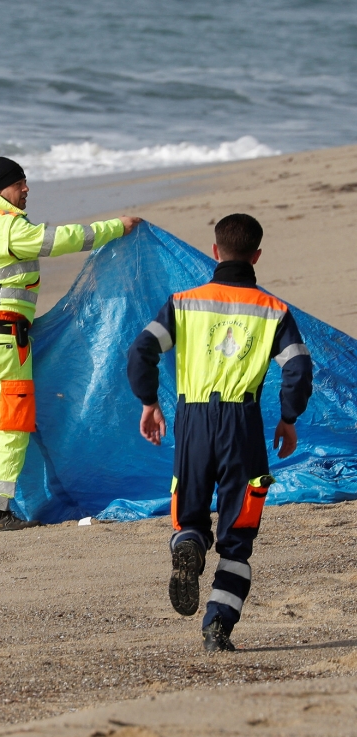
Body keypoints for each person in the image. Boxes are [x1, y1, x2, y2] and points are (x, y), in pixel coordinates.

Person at [0, 156, 141, 537]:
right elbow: (63, 240)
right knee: (11, 425)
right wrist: (115, 228)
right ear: (0, 188)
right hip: (5, 344)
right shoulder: (10, 228)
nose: (26, 190)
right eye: (20, 183)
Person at [127, 213, 312, 652]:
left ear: (215, 252)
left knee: (188, 515)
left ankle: (188, 542)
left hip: (193, 420)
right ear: (257, 256)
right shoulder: (274, 311)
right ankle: (217, 627)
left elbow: (142, 350)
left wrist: (150, 402)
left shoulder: (184, 302)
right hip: (242, 425)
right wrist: (288, 417)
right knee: (237, 537)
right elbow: (299, 369)